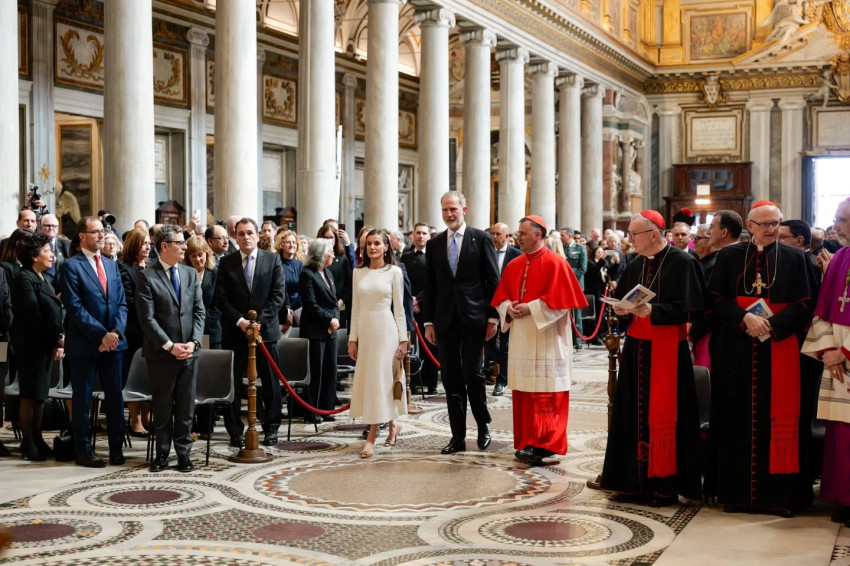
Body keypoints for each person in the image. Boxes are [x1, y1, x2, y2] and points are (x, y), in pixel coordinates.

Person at [709, 201, 820, 516]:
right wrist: (745, 318)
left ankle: (782, 497)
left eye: (776, 223)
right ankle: (737, 495)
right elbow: (716, 300)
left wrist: (771, 324)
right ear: (750, 225)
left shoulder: (797, 258)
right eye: (765, 224)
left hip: (781, 348)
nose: (772, 229)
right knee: (737, 418)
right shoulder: (729, 256)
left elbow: (807, 303)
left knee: (782, 421)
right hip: (738, 351)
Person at [600, 210, 706, 506]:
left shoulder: (683, 262)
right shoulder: (635, 263)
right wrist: (621, 310)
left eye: (634, 234)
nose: (630, 239)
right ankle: (633, 483)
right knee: (632, 412)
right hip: (636, 348)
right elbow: (625, 299)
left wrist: (655, 311)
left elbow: (696, 309)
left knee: (665, 415)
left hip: (667, 349)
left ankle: (664, 485)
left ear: (654, 234)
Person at [491, 216, 587, 465]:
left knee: (546, 392)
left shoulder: (557, 263)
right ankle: (527, 440)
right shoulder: (514, 265)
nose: (518, 237)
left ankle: (546, 444)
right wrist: (508, 308)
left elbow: (563, 303)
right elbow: (501, 298)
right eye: (518, 233)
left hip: (548, 337)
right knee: (525, 391)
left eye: (523, 233)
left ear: (538, 235)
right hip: (522, 336)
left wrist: (531, 308)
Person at [423, 191, 500, 455]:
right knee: (451, 377)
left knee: (473, 374)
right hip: (445, 319)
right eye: (445, 210)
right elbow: (430, 285)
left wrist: (493, 317)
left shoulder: (481, 238)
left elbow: (493, 280)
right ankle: (457, 437)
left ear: (464, 210)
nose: (448, 214)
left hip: (475, 318)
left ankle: (483, 425)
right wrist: (429, 321)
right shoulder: (434, 244)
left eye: (453, 209)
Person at [136, 225, 205, 473]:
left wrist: (194, 342)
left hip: (189, 351)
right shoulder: (147, 276)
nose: (185, 247)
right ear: (164, 246)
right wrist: (169, 346)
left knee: (186, 407)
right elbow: (147, 319)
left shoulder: (189, 273)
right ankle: (162, 454)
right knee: (163, 407)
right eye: (180, 243)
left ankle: (184, 453)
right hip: (162, 354)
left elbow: (199, 311)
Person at [61, 216, 128, 468]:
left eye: (103, 231)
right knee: (83, 398)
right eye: (96, 232)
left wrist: (115, 333)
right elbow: (75, 307)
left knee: (115, 398)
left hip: (114, 343)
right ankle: (84, 451)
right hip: (85, 344)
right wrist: (102, 335)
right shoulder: (71, 266)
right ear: (82, 236)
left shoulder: (111, 264)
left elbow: (121, 303)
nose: (101, 235)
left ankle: (116, 449)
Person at [216, 217, 288, 448]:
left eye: (249, 233)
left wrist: (259, 323)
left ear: (258, 236)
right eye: (241, 233)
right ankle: (235, 431)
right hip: (235, 331)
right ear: (235, 237)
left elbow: (278, 295)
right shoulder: (226, 263)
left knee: (270, 382)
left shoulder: (272, 259)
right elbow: (221, 298)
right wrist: (240, 321)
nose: (246, 237)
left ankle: (271, 427)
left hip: (265, 333)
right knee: (234, 383)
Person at [804, 198, 850, 524]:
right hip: (837, 361)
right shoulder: (840, 259)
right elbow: (822, 309)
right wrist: (828, 350)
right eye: (835, 219)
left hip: (844, 355)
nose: (836, 226)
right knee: (840, 433)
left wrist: (844, 352)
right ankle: (845, 498)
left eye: (842, 219)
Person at [348, 229, 408, 458]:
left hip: (386, 331)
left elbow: (400, 310)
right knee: (374, 380)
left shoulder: (394, 272)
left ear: (386, 247)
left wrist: (403, 340)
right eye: (369, 244)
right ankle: (393, 425)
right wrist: (352, 339)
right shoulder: (358, 273)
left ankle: (371, 438)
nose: (372, 247)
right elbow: (355, 309)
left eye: (377, 243)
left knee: (380, 381)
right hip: (365, 331)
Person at [11, 233, 64, 461]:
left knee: (40, 395)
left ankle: (37, 438)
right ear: (34, 256)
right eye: (47, 251)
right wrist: (57, 336)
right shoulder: (24, 278)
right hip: (30, 345)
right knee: (30, 394)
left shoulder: (42, 277)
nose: (52, 255)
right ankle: (28, 443)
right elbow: (32, 314)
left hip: (44, 343)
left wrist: (57, 336)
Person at [299, 238, 340, 424]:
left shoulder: (328, 273)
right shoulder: (307, 274)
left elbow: (334, 301)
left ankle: (326, 409)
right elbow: (310, 305)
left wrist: (335, 319)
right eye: (330, 251)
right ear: (321, 255)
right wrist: (329, 320)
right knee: (316, 372)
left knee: (330, 370)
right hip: (315, 330)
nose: (332, 254)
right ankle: (312, 411)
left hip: (331, 330)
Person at [184, 235, 221, 437]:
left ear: (207, 254)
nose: (198, 260)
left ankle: (207, 425)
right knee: (190, 380)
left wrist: (202, 324)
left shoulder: (215, 273)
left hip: (211, 331)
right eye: (193, 256)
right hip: (188, 333)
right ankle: (190, 425)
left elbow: (219, 304)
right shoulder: (184, 273)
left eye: (201, 255)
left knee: (208, 379)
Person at [119, 228, 153, 438]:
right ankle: (135, 420)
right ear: (133, 245)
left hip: (153, 330)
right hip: (134, 329)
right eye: (143, 243)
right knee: (135, 375)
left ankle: (147, 417)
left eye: (149, 243)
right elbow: (129, 300)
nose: (148, 247)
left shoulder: (153, 267)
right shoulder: (124, 269)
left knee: (149, 374)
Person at [401, 222, 438, 394]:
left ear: (429, 236)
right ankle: (413, 382)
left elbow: (434, 282)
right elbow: (402, 280)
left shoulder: (434, 256)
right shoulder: (406, 257)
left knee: (429, 345)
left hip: (428, 306)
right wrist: (411, 300)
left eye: (424, 233)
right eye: (418, 233)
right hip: (409, 307)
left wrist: (418, 299)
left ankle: (431, 384)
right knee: (411, 345)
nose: (421, 236)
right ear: (413, 235)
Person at [485, 222, 521, 397]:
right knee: (489, 344)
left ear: (507, 237)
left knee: (506, 346)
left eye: (498, 234)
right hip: (489, 306)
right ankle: (493, 369)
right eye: (492, 233)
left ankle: (502, 380)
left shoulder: (516, 255)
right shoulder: (485, 252)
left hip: (508, 307)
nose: (494, 237)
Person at [317, 223, 352, 328]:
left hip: (339, 306)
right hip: (320, 308)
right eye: (326, 238)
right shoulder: (315, 260)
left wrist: (340, 302)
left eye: (331, 237)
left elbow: (348, 283)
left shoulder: (342, 259)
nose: (328, 240)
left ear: (336, 239)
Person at [561, 227, 588, 350]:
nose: (561, 238)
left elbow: (583, 268)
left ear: (569, 236)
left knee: (577, 313)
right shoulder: (561, 248)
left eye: (563, 235)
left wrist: (570, 278)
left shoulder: (580, 248)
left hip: (576, 285)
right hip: (563, 285)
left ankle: (577, 339)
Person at [275, 229, 303, 322]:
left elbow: (304, 289)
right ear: (281, 245)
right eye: (288, 242)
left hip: (297, 309)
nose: (292, 245)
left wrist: (293, 309)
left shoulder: (300, 265)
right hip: (279, 307)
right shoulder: (276, 263)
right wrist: (286, 309)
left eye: (294, 242)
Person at [39, 213, 72, 291]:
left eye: (54, 226)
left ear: (58, 228)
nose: (51, 228)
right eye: (47, 225)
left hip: (62, 288)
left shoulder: (67, 244)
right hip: (42, 287)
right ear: (41, 227)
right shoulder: (35, 243)